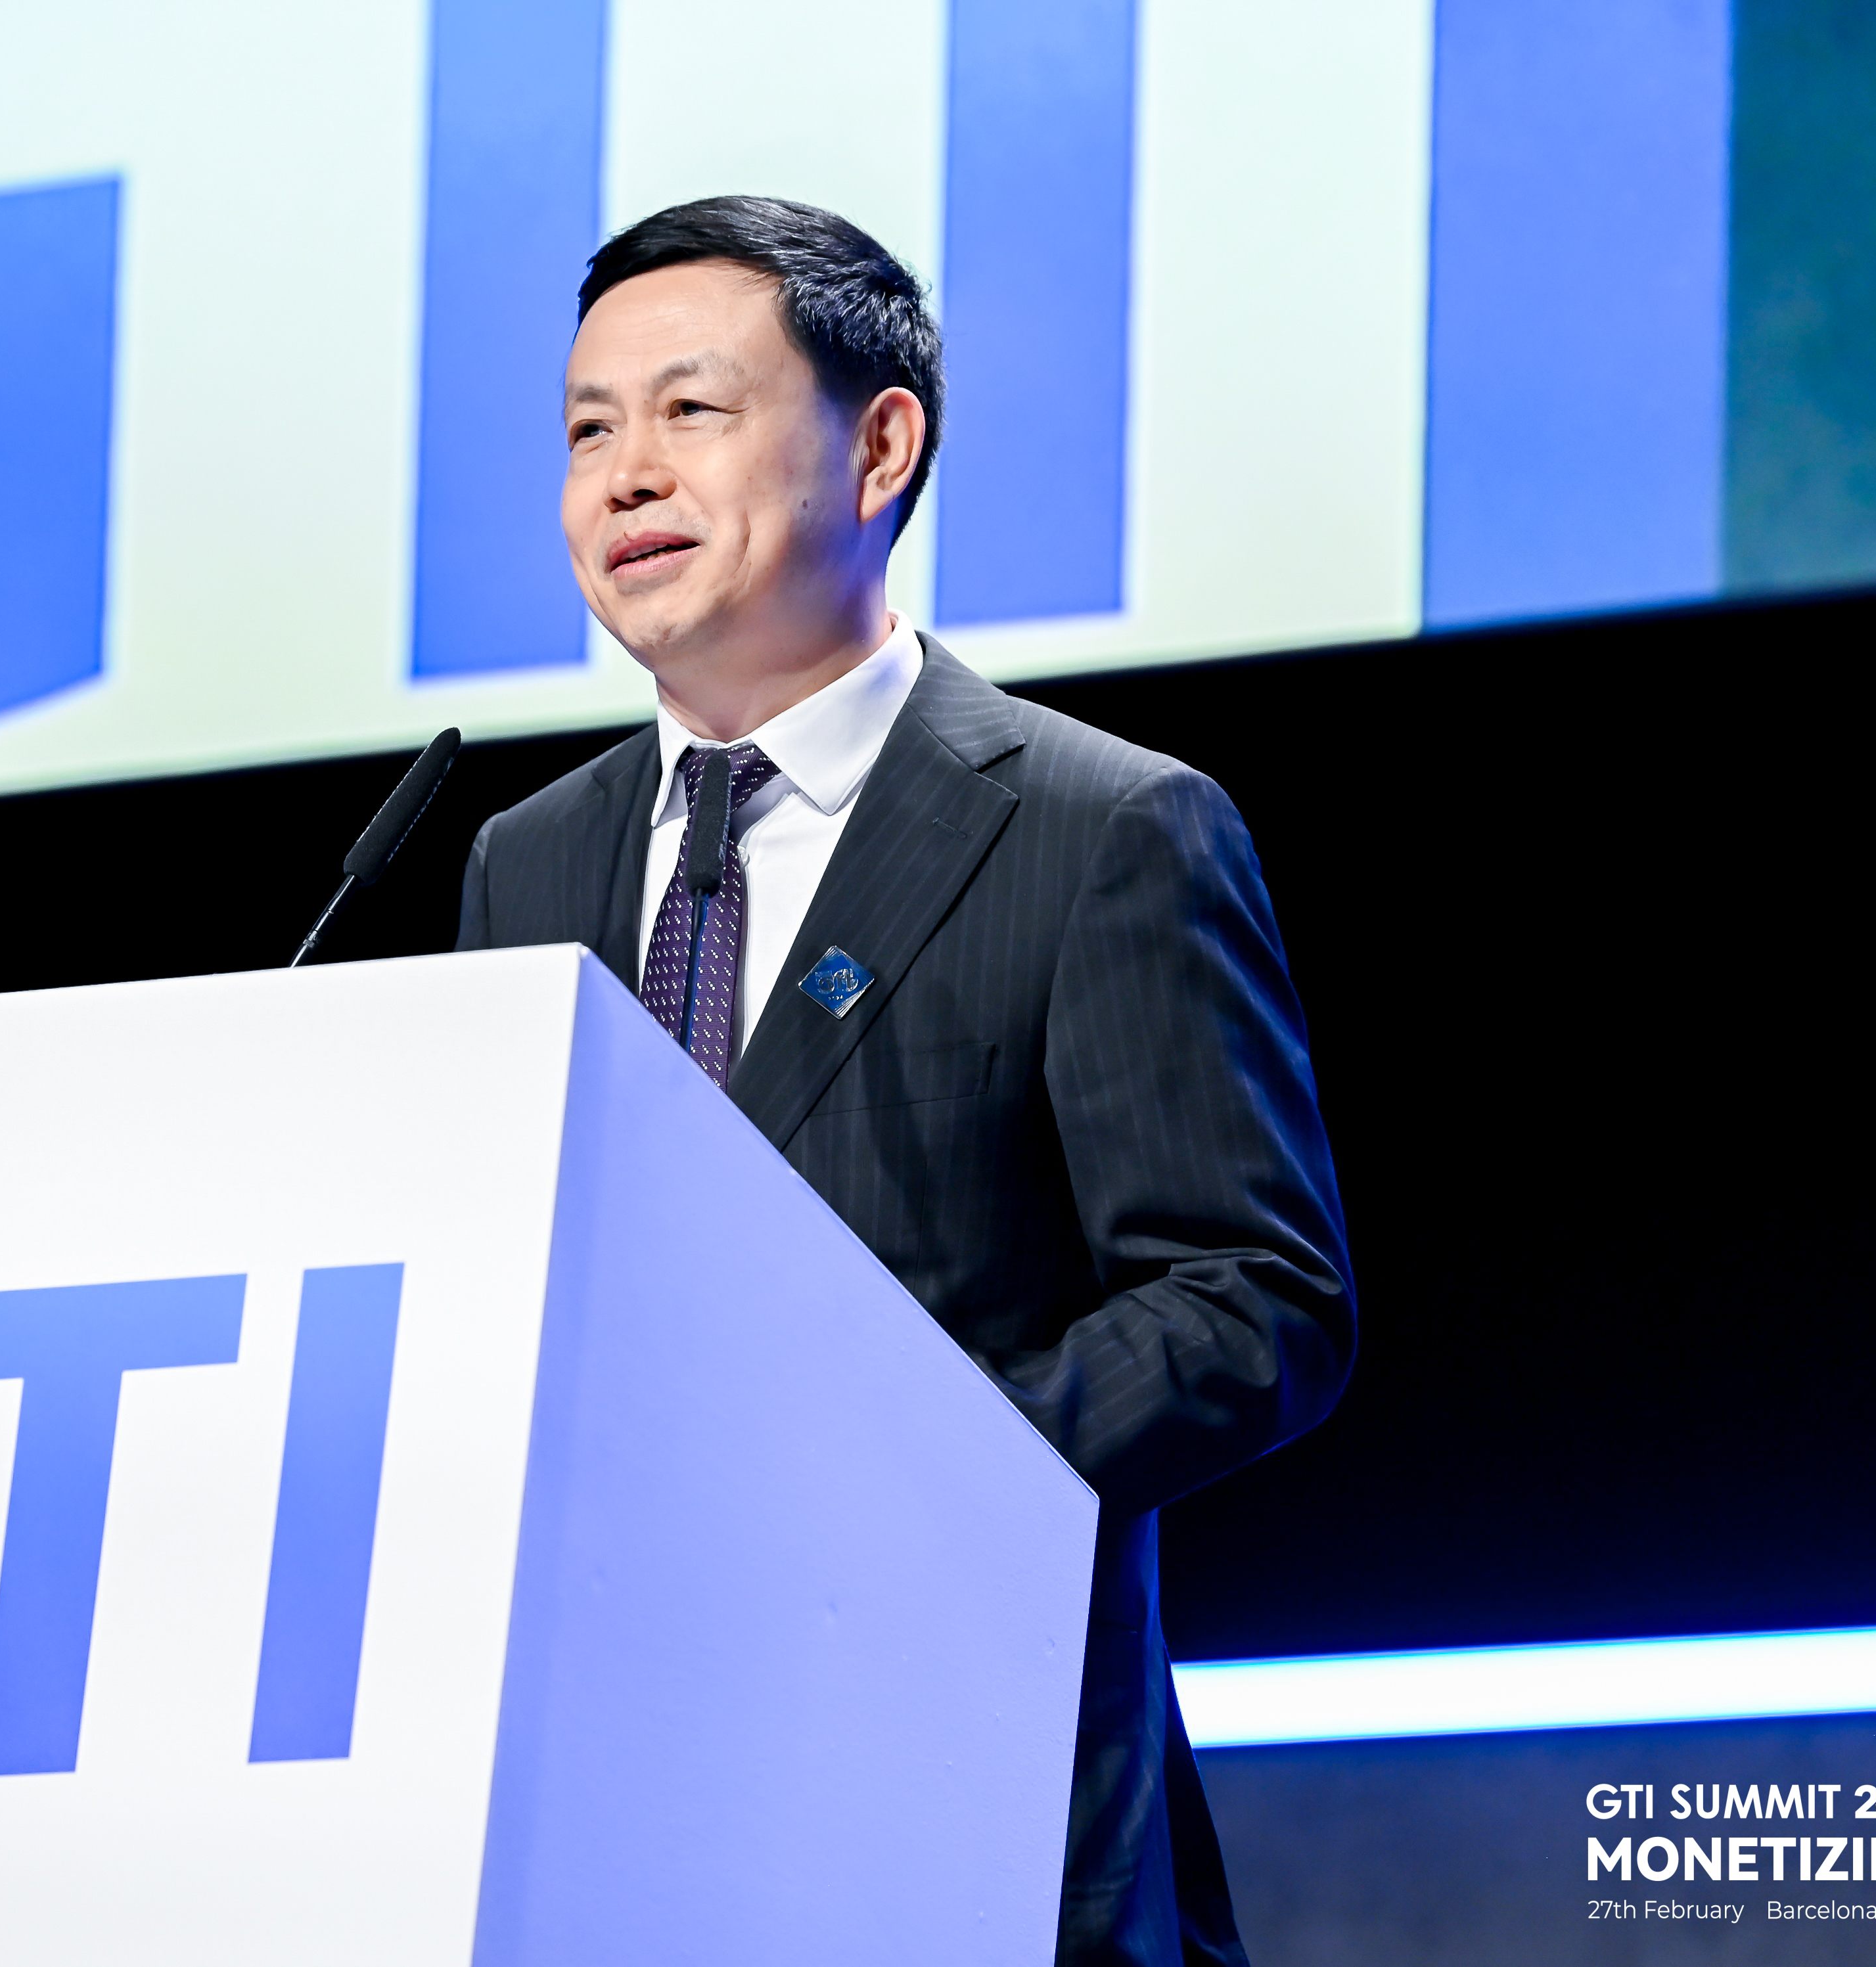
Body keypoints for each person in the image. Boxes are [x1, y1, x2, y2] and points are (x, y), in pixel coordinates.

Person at [454, 195, 1355, 1966]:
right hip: (606, 1815)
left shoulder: (1100, 829)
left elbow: (1253, 1297)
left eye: (691, 411)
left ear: (879, 448)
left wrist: (894, 1480)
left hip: (968, 1806)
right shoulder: (523, 862)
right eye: (586, 429)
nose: (626, 475)